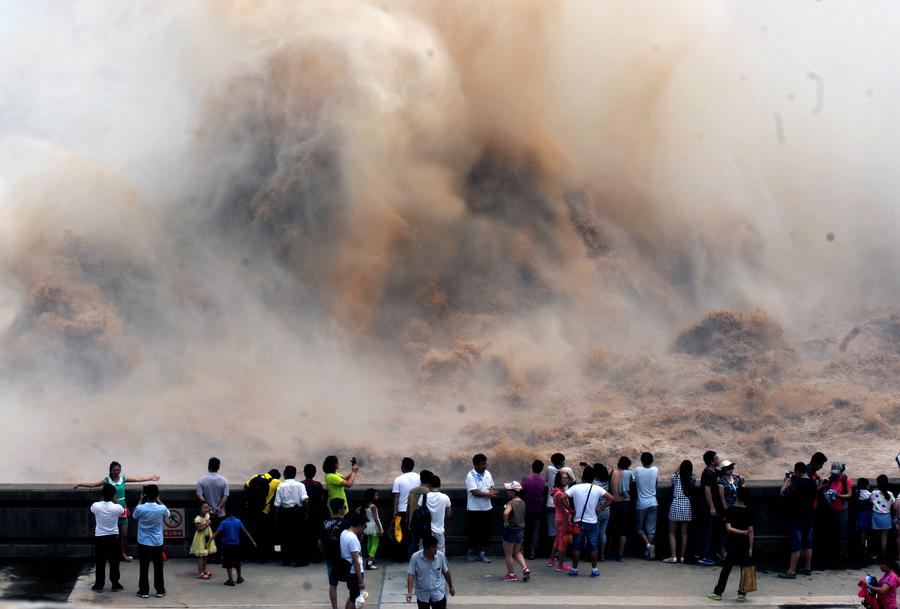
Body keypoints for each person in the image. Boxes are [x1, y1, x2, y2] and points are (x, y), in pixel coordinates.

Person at [74, 461, 160, 561]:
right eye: (114, 470)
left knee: (124, 534)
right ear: (110, 470)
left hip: (122, 508)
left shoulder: (123, 478)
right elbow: (94, 485)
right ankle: (110, 555)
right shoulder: (107, 480)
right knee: (111, 535)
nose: (116, 471)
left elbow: (137, 479)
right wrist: (80, 484)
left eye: (118, 470)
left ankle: (123, 553)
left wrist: (150, 478)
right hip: (111, 509)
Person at [708, 486, 754, 602]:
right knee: (745, 569)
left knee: (726, 569)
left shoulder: (730, 510)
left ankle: (718, 592)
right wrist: (751, 547)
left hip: (733, 543)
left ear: (736, 495)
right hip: (744, 544)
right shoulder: (749, 511)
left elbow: (729, 528)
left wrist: (741, 532)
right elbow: (751, 531)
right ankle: (742, 594)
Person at [566, 465, 612, 577]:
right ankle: (594, 569)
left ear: (583, 476)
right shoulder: (597, 488)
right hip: (592, 521)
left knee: (577, 547)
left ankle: (574, 569)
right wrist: (600, 508)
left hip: (578, 521)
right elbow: (611, 498)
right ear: (594, 477)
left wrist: (569, 509)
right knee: (593, 547)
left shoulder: (575, 487)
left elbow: (562, 497)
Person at [132, 484, 172, 599]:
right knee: (158, 567)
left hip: (143, 541)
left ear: (145, 495)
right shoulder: (161, 508)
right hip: (157, 541)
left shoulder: (141, 508)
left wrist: (140, 500)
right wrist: (159, 500)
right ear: (156, 495)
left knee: (143, 567)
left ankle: (144, 591)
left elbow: (135, 516)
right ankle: (160, 590)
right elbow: (168, 514)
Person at [778, 462, 817, 578]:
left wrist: (786, 481)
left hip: (796, 516)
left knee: (796, 543)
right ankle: (807, 567)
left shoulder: (795, 483)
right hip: (809, 515)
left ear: (798, 471)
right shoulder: (812, 482)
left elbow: (783, 493)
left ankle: (791, 571)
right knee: (808, 543)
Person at [90, 482, 125, 592]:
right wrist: (116, 501)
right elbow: (123, 511)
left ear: (102, 494)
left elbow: (93, 510)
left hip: (100, 537)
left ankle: (99, 585)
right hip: (113, 537)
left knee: (100, 562)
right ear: (114, 495)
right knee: (114, 561)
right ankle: (115, 584)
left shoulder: (95, 506)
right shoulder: (117, 507)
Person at [208, 513, 257, 586]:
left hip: (227, 545)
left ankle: (230, 580)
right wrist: (253, 541)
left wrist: (209, 541)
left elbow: (216, 533)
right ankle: (239, 577)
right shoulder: (238, 521)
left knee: (228, 562)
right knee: (237, 561)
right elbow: (245, 531)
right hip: (236, 544)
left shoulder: (224, 522)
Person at [407, 535, 456, 609]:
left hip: (438, 593)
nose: (436, 549)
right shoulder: (415, 558)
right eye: (434, 548)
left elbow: (446, 572)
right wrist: (410, 592)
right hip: (422, 595)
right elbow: (411, 575)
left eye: (436, 547)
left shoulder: (441, 556)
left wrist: (451, 586)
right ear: (426, 549)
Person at [273, 465, 309, 567]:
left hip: (285, 513)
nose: (283, 473)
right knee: (298, 537)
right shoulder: (300, 485)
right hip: (297, 513)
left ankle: (286, 560)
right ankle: (299, 560)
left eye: (284, 472)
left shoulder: (281, 486)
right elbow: (305, 500)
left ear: (286, 474)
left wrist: (276, 517)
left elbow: (277, 504)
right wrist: (307, 513)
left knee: (285, 536)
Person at [465, 454, 497, 563]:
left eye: (485, 463)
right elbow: (475, 492)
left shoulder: (488, 473)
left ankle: (482, 553)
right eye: (482, 464)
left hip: (487, 508)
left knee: (485, 532)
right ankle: (470, 552)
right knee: (473, 532)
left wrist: (492, 492)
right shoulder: (470, 476)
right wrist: (489, 494)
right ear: (475, 465)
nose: (485, 466)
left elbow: (491, 487)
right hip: (474, 509)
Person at [244, 468, 281, 561]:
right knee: (265, 535)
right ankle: (264, 555)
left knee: (253, 532)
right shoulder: (276, 482)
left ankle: (252, 554)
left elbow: (246, 485)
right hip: (264, 511)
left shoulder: (256, 476)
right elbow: (284, 489)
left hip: (252, 510)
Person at [320, 498, 350, 609]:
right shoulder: (346, 523)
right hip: (343, 556)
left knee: (333, 584)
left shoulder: (325, 522)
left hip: (329, 556)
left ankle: (335, 607)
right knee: (351, 581)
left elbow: (320, 542)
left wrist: (324, 553)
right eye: (344, 507)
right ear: (341, 509)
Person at [663, 460, 695, 564]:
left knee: (672, 533)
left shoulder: (676, 477)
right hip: (686, 504)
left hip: (676, 502)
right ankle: (682, 557)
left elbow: (672, 480)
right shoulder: (692, 477)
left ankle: (673, 556)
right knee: (684, 533)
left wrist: (677, 470)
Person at [822, 461, 852, 565]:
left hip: (842, 510)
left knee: (842, 533)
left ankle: (843, 556)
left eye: (836, 473)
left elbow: (849, 494)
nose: (834, 474)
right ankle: (832, 554)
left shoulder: (846, 480)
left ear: (841, 471)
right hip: (831, 509)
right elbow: (825, 490)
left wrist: (839, 496)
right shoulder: (830, 479)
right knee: (831, 532)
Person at [500, 481, 530, 581]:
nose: (507, 491)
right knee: (517, 552)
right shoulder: (523, 502)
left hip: (511, 531)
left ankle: (511, 575)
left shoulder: (511, 503)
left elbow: (505, 513)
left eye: (509, 490)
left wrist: (506, 523)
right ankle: (525, 568)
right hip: (520, 530)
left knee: (508, 554)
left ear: (514, 492)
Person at [392, 458, 421, 558]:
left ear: (402, 467)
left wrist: (394, 511)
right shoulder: (419, 477)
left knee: (399, 534)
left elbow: (396, 496)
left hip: (401, 511)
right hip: (416, 510)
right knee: (414, 534)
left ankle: (401, 556)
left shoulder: (398, 479)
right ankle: (413, 555)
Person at [698, 450, 722, 565]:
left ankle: (711, 553)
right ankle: (703, 555)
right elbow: (707, 491)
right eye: (716, 458)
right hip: (707, 508)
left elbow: (724, 472)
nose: (719, 460)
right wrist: (712, 507)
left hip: (714, 507)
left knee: (712, 531)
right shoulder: (708, 473)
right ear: (712, 462)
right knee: (707, 531)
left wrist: (738, 475)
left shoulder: (714, 471)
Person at [634, 452, 659, 560]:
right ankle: (648, 551)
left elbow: (632, 480)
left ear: (641, 460)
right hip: (653, 502)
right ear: (652, 461)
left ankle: (648, 546)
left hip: (641, 504)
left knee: (639, 528)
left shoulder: (638, 470)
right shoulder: (655, 470)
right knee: (651, 529)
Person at [339, 512, 367, 609]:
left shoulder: (344, 533)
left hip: (348, 571)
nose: (364, 529)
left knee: (352, 596)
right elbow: (356, 561)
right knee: (355, 599)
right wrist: (360, 580)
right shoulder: (353, 539)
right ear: (359, 525)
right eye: (364, 526)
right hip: (354, 573)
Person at [550, 468, 575, 571]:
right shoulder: (560, 493)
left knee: (558, 540)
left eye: (566, 478)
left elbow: (572, 479)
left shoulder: (557, 490)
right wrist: (568, 521)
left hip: (558, 517)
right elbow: (564, 510)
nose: (566, 480)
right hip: (563, 518)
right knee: (563, 542)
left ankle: (551, 560)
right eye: (564, 478)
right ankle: (560, 565)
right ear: (559, 480)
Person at [418, 475, 452, 554]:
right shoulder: (445, 497)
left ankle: (424, 565)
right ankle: (439, 565)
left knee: (423, 550)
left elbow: (419, 512)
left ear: (429, 485)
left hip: (425, 530)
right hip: (439, 529)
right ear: (439, 485)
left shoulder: (423, 497)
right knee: (440, 551)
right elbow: (449, 514)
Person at [609, 456, 633, 561]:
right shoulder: (628, 474)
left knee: (610, 530)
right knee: (623, 531)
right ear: (627, 466)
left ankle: (607, 552)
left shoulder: (612, 472)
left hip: (614, 503)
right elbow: (631, 486)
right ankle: (620, 554)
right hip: (624, 504)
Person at [521, 460, 545, 560]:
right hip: (539, 508)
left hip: (527, 507)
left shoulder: (527, 479)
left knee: (523, 529)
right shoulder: (543, 480)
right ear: (541, 469)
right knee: (535, 530)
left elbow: (521, 490)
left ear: (532, 467)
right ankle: (532, 552)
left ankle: (521, 551)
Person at [196, 457, 229, 529]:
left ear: (208, 467)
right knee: (219, 535)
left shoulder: (201, 480)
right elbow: (225, 496)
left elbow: (199, 495)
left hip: (206, 514)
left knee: (208, 535)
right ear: (218, 467)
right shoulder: (224, 480)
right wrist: (219, 507)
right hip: (220, 513)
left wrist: (207, 507)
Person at [302, 464, 326, 563]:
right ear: (315, 473)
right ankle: (316, 555)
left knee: (305, 535)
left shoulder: (301, 484)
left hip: (305, 513)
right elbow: (322, 499)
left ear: (304, 472)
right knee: (316, 535)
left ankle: (306, 555)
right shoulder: (318, 484)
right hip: (316, 513)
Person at [408, 470, 435, 557]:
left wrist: (407, 520)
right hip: (424, 523)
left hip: (413, 521)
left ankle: (413, 562)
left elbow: (408, 507)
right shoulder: (429, 492)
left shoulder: (412, 491)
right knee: (425, 545)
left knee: (414, 543)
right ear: (430, 480)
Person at [545, 453, 565, 564]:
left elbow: (546, 481)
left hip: (550, 504)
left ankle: (554, 554)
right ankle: (560, 553)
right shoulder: (566, 471)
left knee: (553, 531)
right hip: (561, 506)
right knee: (561, 532)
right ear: (561, 462)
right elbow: (572, 481)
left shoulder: (549, 469)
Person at [190, 502, 217, 580]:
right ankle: (200, 573)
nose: (207, 509)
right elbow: (199, 529)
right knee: (202, 556)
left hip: (207, 536)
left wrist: (209, 510)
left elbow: (211, 512)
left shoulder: (207, 515)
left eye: (207, 507)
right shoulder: (197, 519)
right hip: (201, 538)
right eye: (204, 508)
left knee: (206, 555)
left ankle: (204, 570)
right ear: (200, 509)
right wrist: (207, 524)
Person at [871, 475, 895, 561]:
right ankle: (882, 556)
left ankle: (874, 555)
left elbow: (870, 500)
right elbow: (893, 505)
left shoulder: (874, 493)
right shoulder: (890, 494)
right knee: (884, 538)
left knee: (874, 537)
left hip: (876, 517)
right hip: (886, 517)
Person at [592, 463, 612, 562]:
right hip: (607, 510)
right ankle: (602, 555)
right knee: (603, 533)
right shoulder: (607, 482)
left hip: (597, 511)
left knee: (595, 534)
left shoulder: (595, 484)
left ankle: (594, 554)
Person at [360, 488, 383, 570]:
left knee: (369, 543)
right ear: (372, 497)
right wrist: (380, 529)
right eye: (376, 495)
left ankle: (370, 561)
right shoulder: (373, 507)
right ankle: (370, 562)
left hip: (368, 525)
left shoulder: (365, 506)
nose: (378, 496)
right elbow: (376, 519)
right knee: (375, 544)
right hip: (374, 526)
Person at [854, 478, 873, 564]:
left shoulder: (856, 493)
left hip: (860, 516)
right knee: (868, 535)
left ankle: (862, 552)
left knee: (862, 534)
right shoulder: (869, 494)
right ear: (866, 485)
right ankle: (867, 552)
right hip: (868, 516)